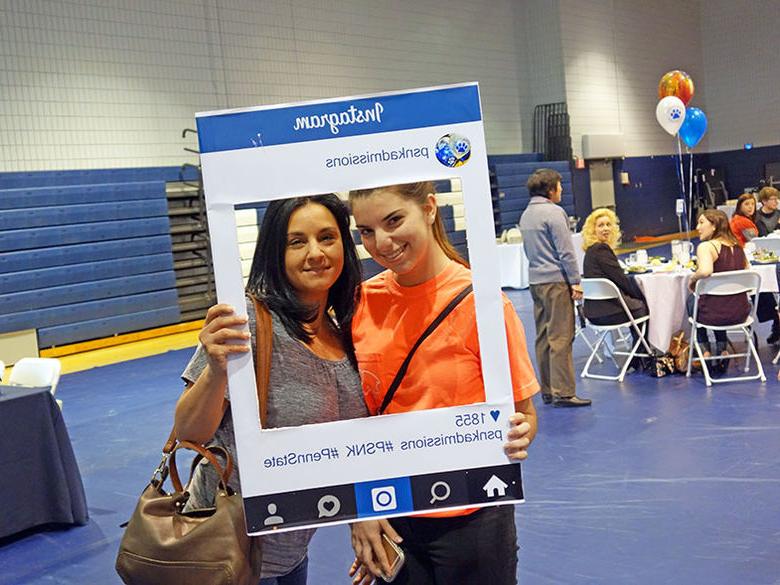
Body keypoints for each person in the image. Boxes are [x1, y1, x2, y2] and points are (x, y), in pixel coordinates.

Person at [348, 181, 539, 585]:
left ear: (430, 208)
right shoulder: (361, 302)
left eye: (394, 220)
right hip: (392, 515)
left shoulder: (483, 305)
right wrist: (361, 511)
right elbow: (355, 424)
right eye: (365, 230)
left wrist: (520, 433)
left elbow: (523, 416)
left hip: (473, 517)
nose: (381, 242)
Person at [174, 194, 369, 585]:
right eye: (296, 242)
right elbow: (189, 433)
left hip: (292, 548)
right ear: (274, 252)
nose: (315, 252)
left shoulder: (346, 330)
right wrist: (215, 369)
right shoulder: (248, 321)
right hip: (227, 549)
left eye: (327, 237)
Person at [518, 168, 591, 407]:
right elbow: (566, 251)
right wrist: (575, 281)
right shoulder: (554, 212)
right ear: (550, 190)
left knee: (543, 337)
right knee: (561, 336)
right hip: (555, 281)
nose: (561, 190)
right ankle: (564, 392)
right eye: (559, 186)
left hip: (536, 281)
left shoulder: (526, 214)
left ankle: (548, 389)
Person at [581, 208, 651, 362]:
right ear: (592, 230)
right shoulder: (601, 249)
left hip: (593, 314)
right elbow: (621, 280)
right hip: (607, 313)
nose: (606, 228)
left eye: (608, 224)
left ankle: (638, 353)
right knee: (644, 307)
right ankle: (641, 355)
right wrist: (641, 295)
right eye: (600, 225)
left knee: (636, 304)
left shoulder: (591, 252)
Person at [687, 209, 750, 374]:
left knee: (693, 300)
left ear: (714, 225)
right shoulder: (738, 246)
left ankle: (705, 349)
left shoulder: (706, 246)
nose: (697, 227)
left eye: (701, 222)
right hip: (740, 313)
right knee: (715, 299)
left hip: (714, 315)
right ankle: (722, 349)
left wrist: (692, 279)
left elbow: (706, 271)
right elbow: (748, 273)